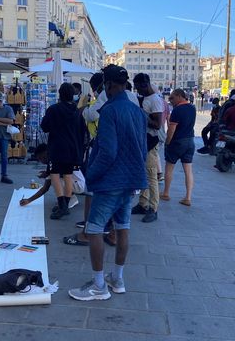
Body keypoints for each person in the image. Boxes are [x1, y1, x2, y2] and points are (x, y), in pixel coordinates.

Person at [68, 64, 147, 301]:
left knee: (94, 229)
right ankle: (118, 278)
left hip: (109, 180)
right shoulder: (136, 111)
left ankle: (99, 285)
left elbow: (108, 151)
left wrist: (91, 175)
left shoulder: (110, 111)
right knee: (122, 228)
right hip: (130, 179)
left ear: (109, 85)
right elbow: (143, 149)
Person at [40, 83, 87, 219]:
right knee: (68, 176)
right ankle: (66, 203)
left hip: (57, 148)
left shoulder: (54, 109)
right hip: (73, 149)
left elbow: (45, 127)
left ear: (60, 94)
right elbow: (82, 131)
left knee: (54, 174)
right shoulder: (77, 111)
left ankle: (62, 204)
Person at [132, 73, 164, 223]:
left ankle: (153, 208)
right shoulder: (145, 98)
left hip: (151, 142)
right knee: (144, 174)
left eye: (138, 88)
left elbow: (157, 124)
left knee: (151, 177)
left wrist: (142, 115)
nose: (137, 91)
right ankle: (143, 203)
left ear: (144, 85)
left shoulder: (155, 100)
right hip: (143, 140)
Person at [160, 89, 196, 206]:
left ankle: (166, 193)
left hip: (177, 142)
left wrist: (167, 142)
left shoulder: (177, 110)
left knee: (169, 167)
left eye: (172, 98)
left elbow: (171, 129)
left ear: (179, 96)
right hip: (190, 141)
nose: (170, 101)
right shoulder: (192, 108)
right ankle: (188, 197)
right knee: (188, 171)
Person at [19, 144, 80, 209]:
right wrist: (29, 200)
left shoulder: (56, 162)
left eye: (44, 157)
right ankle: (67, 197)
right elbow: (45, 188)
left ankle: (71, 199)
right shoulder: (52, 164)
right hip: (75, 182)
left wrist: (48, 174)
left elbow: (45, 188)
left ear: (49, 153)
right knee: (54, 178)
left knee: (55, 179)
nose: (42, 160)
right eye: (40, 159)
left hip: (79, 184)